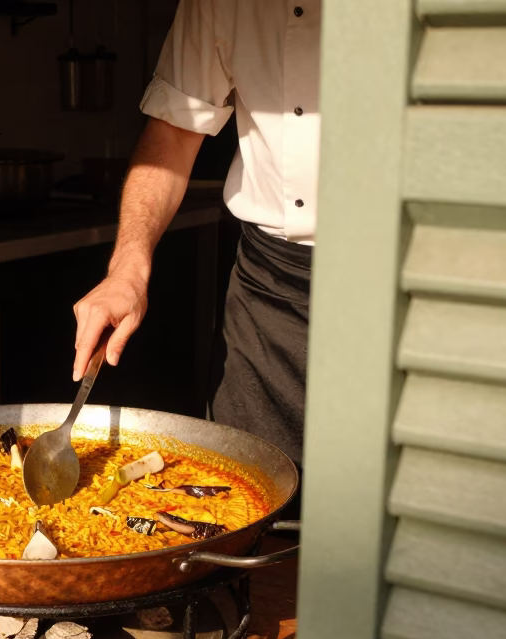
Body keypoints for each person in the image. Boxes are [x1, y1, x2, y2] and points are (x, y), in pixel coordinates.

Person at [72, 0, 321, 469]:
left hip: (405, 282)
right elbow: (172, 134)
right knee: (246, 485)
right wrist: (127, 269)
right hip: (267, 293)